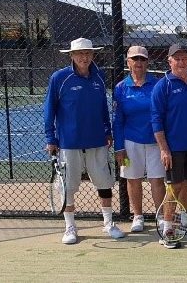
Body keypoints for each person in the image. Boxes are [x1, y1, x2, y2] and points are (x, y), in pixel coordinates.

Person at [44, 37, 124, 244]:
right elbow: (49, 109)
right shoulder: (59, 78)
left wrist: (107, 131)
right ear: (71, 56)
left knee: (104, 183)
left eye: (88, 53)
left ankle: (108, 223)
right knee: (68, 186)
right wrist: (50, 138)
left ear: (92, 55)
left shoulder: (99, 77)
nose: (84, 57)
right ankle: (70, 227)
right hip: (68, 143)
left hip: (97, 141)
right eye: (80, 53)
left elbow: (102, 108)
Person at [151, 43, 187, 248]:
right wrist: (164, 149)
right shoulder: (163, 85)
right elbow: (156, 119)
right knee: (174, 187)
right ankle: (168, 229)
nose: (181, 62)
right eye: (176, 59)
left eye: (184, 58)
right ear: (169, 61)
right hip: (173, 148)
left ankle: (183, 223)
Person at [112, 46, 166, 233]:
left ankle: (161, 216)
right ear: (128, 62)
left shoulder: (158, 85)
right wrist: (119, 147)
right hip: (130, 142)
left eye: (142, 60)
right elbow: (118, 120)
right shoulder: (120, 88)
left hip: (155, 142)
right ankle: (138, 216)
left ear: (147, 62)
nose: (139, 63)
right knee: (132, 179)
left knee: (157, 180)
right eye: (135, 59)